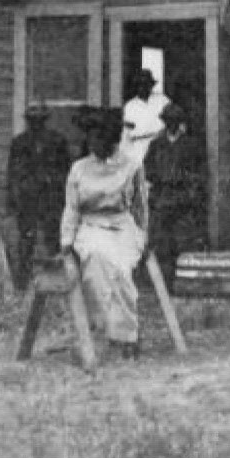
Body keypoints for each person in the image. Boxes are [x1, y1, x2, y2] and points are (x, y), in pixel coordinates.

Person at [62, 107, 147, 362]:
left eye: (100, 138)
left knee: (121, 268)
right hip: (90, 227)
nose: (95, 143)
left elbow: (141, 206)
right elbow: (71, 208)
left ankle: (127, 335)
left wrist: (144, 236)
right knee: (98, 260)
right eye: (91, 138)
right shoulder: (79, 169)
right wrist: (66, 243)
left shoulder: (131, 166)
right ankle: (105, 332)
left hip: (122, 226)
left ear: (112, 139)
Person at [4, 101, 74, 290]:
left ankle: (57, 280)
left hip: (52, 199)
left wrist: (60, 191)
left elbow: (66, 171)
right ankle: (22, 282)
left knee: (54, 239)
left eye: (39, 120)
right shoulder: (19, 143)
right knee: (26, 240)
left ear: (45, 120)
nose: (36, 123)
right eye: (32, 120)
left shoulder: (57, 141)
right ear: (27, 121)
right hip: (28, 200)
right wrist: (13, 199)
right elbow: (13, 174)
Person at [145, 102, 205, 291]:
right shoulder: (156, 144)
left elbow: (199, 172)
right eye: (167, 121)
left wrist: (187, 185)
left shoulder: (191, 145)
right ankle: (164, 283)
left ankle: (183, 282)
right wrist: (160, 179)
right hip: (162, 198)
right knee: (162, 242)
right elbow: (148, 169)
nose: (170, 124)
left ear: (180, 122)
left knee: (184, 241)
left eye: (174, 121)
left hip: (183, 200)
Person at [121, 68, 171, 164]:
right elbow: (127, 131)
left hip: (161, 145)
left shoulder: (162, 100)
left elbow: (173, 119)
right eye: (140, 85)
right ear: (136, 87)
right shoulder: (130, 106)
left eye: (146, 85)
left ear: (151, 85)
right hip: (139, 147)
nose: (143, 88)